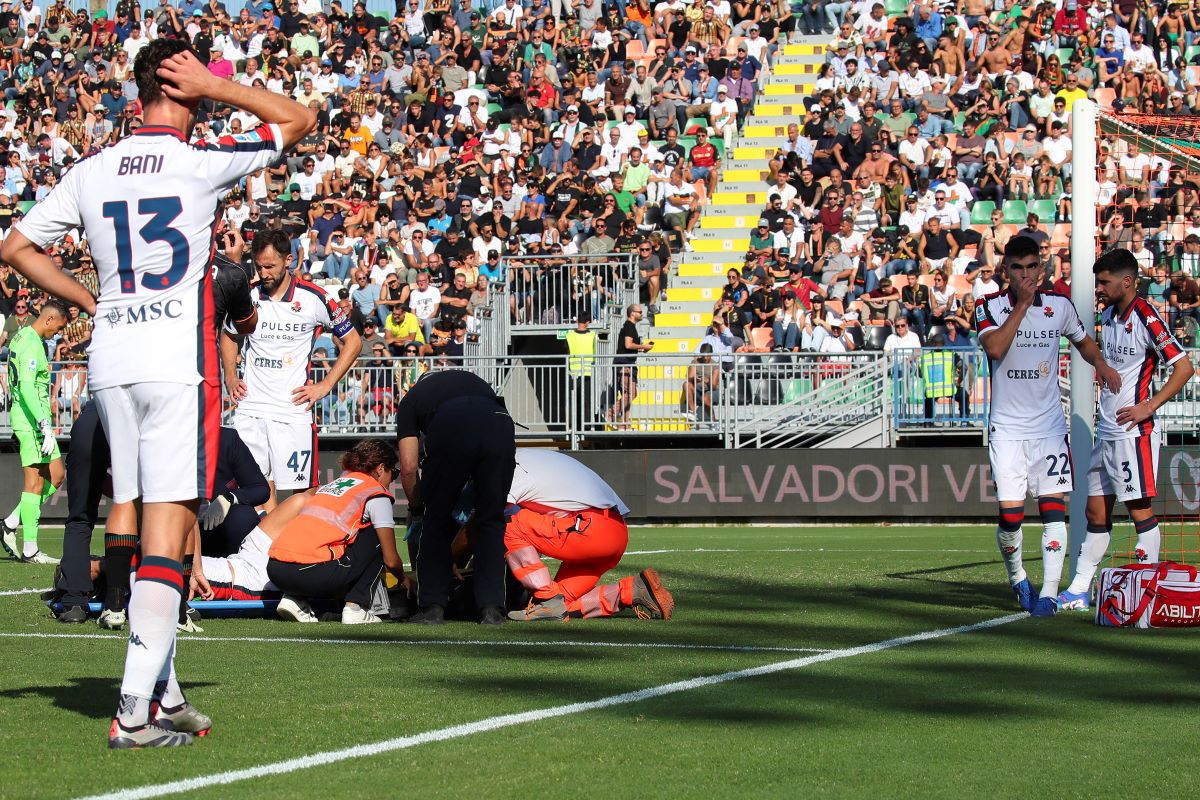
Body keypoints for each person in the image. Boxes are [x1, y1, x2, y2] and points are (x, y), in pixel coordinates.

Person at [0, 37, 316, 748]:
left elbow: (14, 247)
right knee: (169, 533)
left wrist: (89, 300)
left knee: (140, 519)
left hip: (113, 358)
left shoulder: (93, 170)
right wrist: (219, 85)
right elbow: (298, 118)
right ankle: (134, 710)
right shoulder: (199, 163)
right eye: (198, 82)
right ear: (182, 85)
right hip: (175, 360)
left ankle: (164, 694)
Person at [975, 237, 1121, 617]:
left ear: (1042, 269)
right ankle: (1017, 575)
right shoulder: (987, 306)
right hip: (1007, 430)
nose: (1025, 274)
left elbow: (1084, 343)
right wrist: (1022, 305)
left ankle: (1050, 593)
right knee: (1010, 517)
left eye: (1031, 267)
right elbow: (994, 349)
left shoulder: (1060, 307)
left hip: (1050, 428)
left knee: (1053, 511)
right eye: (1017, 267)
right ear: (1005, 269)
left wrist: (1101, 365)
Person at [1059, 249, 1195, 610]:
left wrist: (1148, 406)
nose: (1099, 289)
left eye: (1104, 282)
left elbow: (1184, 368)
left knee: (1138, 508)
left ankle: (1148, 591)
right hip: (1107, 431)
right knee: (1095, 513)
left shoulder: (1148, 316)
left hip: (1133, 434)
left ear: (1128, 281)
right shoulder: (1108, 315)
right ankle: (1079, 589)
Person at [223, 229, 362, 512]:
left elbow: (353, 342)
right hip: (251, 408)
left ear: (289, 260)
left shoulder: (314, 298)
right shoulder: (247, 294)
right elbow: (228, 335)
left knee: (305, 493)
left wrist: (325, 385)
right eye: (259, 266)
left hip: (292, 409)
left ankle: (295, 547)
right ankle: (266, 551)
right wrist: (230, 375)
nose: (263, 273)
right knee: (260, 488)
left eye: (270, 266)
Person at [396, 370, 516, 625]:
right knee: (491, 522)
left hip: (451, 424)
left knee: (435, 520)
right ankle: (492, 609)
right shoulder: (473, 381)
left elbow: (407, 467)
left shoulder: (411, 399)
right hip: (499, 422)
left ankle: (432, 608)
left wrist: (418, 509)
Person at [504, 449, 674, 621]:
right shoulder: (534, 457)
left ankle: (547, 597)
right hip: (616, 531)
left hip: (590, 529)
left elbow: (496, 517)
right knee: (560, 605)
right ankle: (630, 591)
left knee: (506, 523)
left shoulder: (511, 468)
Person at [266, 439, 404, 624]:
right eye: (393, 472)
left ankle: (295, 598)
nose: (391, 479)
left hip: (275, 569)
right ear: (380, 468)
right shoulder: (375, 492)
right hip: (309, 573)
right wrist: (403, 579)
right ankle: (355, 607)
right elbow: (391, 559)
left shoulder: (333, 486)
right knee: (375, 534)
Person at [0, 300, 68, 565]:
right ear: (49, 320)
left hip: (39, 421)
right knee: (35, 484)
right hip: (31, 421)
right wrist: (42, 424)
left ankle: (12, 521)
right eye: (58, 328)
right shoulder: (30, 342)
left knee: (57, 475)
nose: (58, 333)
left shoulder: (25, 337)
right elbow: (27, 388)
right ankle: (30, 549)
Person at [565, 309, 596, 427]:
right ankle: (586, 426)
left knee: (574, 401)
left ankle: (574, 426)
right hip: (588, 372)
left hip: (573, 372)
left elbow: (566, 351)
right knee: (586, 401)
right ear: (588, 322)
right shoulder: (593, 335)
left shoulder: (569, 335)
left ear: (577, 320)